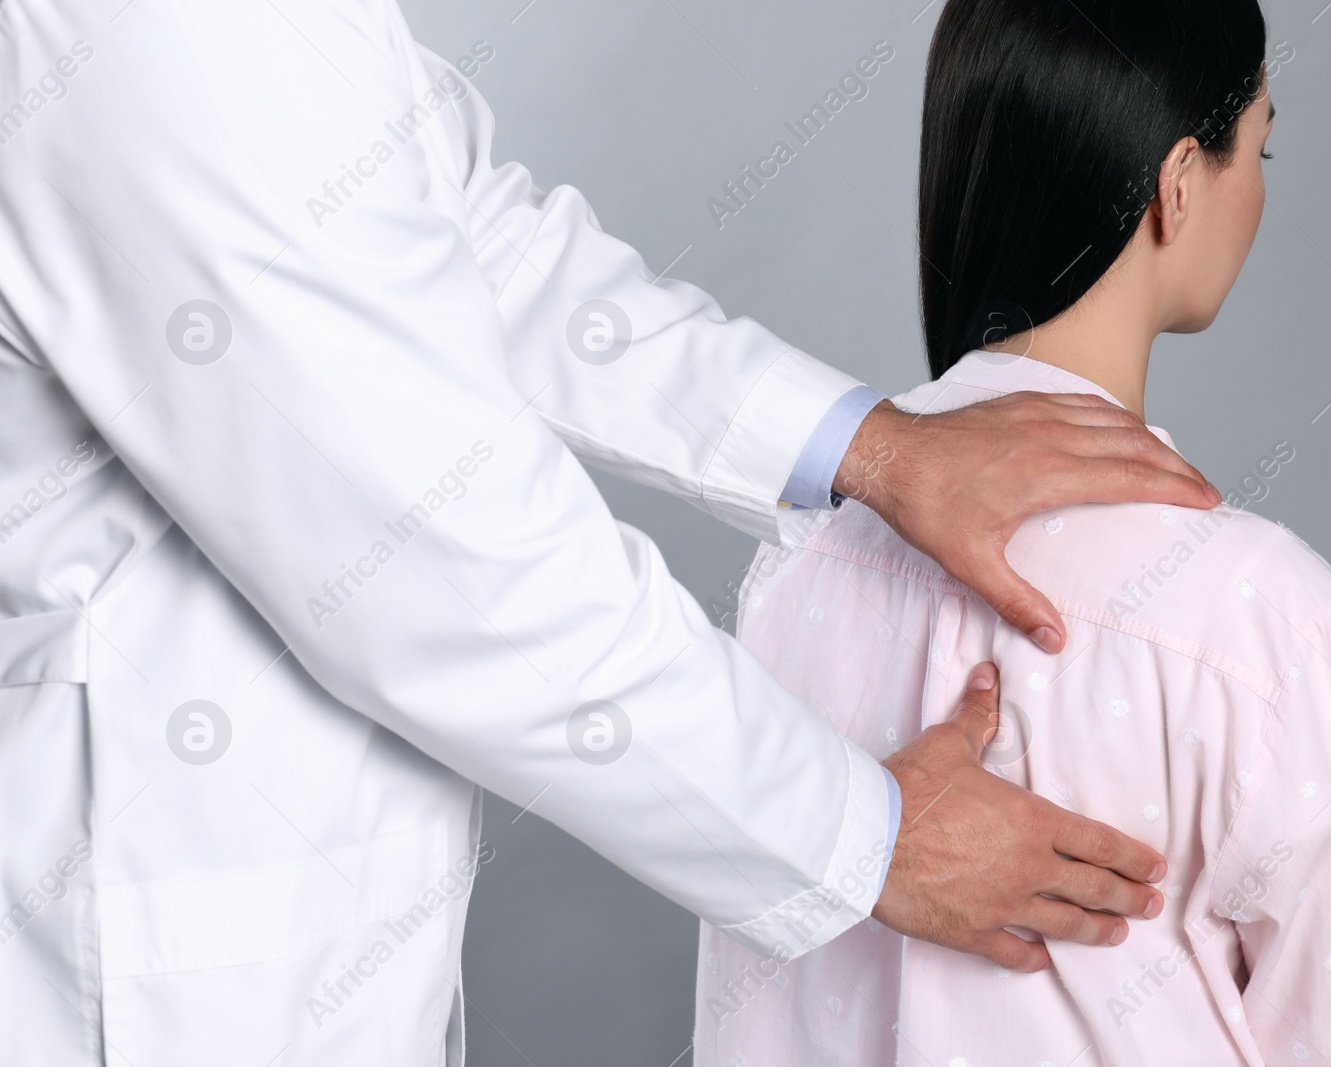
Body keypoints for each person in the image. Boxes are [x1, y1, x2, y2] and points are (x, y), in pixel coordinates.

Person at [0, 0, 1225, 1062]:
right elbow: (438, 542)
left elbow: (450, 226)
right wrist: (859, 831)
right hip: (148, 939)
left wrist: (868, 446)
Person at [695, 0, 1331, 1063]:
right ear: (1178, 182)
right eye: (1261, 142)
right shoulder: (1267, 620)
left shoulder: (797, 564)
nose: (1262, 185)